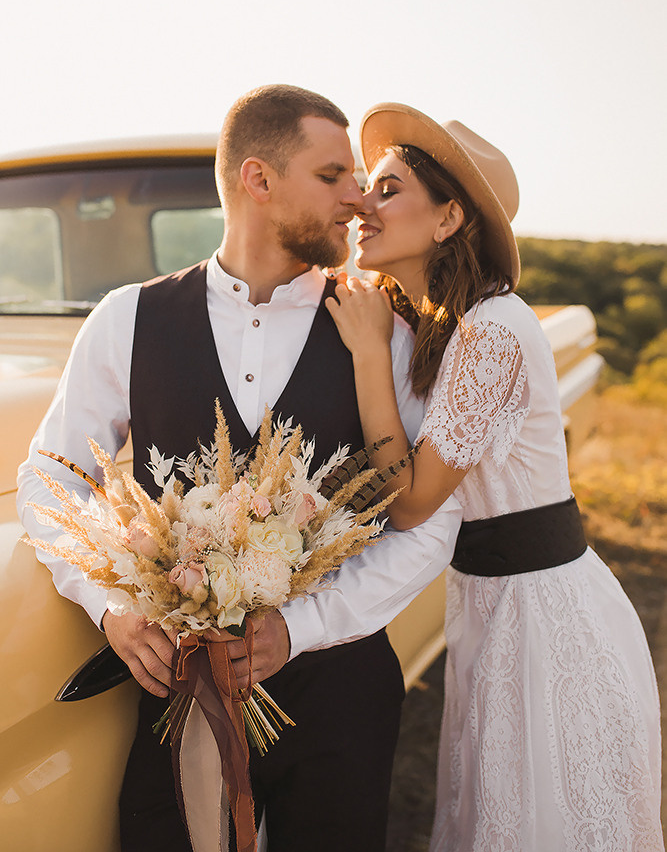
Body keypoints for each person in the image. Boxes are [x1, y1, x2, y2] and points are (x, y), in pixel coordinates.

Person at [17, 86, 462, 852]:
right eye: (332, 177)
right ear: (258, 181)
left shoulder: (383, 333)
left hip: (341, 688)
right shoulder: (127, 317)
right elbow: (50, 479)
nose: (357, 201)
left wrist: (301, 628)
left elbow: (427, 521)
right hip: (178, 691)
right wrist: (109, 607)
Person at [272, 103, 664, 851]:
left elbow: (415, 502)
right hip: (490, 602)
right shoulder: (440, 324)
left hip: (545, 615)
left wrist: (362, 354)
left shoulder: (490, 330)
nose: (363, 205)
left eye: (388, 190)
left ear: (449, 218)